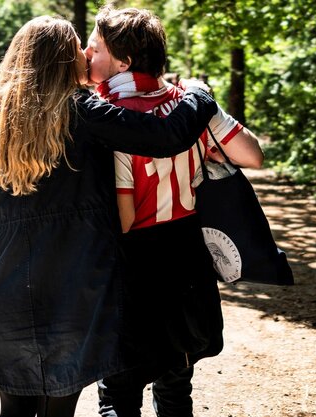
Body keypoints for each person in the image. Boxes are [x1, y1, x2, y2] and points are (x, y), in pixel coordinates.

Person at [0, 15, 219, 417]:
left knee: (13, 412)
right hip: (72, 290)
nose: (87, 56)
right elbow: (167, 136)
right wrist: (200, 95)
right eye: (78, 50)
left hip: (10, 289)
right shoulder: (81, 113)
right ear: (63, 61)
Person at [85, 7, 264, 417]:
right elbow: (252, 155)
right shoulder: (188, 104)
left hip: (133, 269)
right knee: (176, 388)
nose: (84, 54)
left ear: (124, 62)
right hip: (186, 264)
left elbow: (124, 219)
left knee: (118, 393)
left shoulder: (109, 118)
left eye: (93, 49)